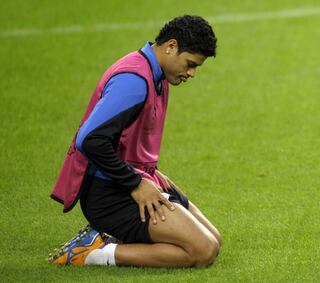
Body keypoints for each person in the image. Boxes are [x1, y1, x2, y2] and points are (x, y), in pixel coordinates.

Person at [48, 15, 220, 268]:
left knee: (214, 241)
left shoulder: (155, 73)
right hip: (109, 194)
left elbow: (126, 139)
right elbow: (91, 139)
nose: (192, 73)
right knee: (202, 251)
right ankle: (92, 253)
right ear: (171, 46)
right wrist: (136, 183)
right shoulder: (134, 80)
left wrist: (151, 174)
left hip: (132, 179)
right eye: (190, 64)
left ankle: (112, 236)